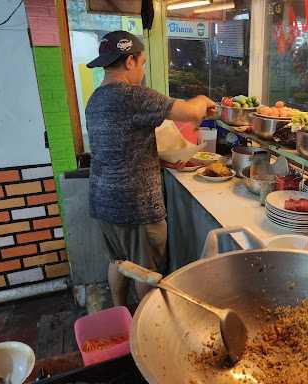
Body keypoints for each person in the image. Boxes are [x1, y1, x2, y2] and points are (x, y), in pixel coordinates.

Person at [85, 31, 216, 306]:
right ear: (130, 61)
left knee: (119, 262)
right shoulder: (134, 96)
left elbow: (119, 146)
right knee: (147, 273)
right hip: (136, 205)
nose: (142, 71)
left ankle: (121, 315)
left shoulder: (95, 99)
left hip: (102, 200)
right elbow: (191, 113)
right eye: (142, 63)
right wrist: (203, 99)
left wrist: (158, 160)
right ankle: (146, 330)